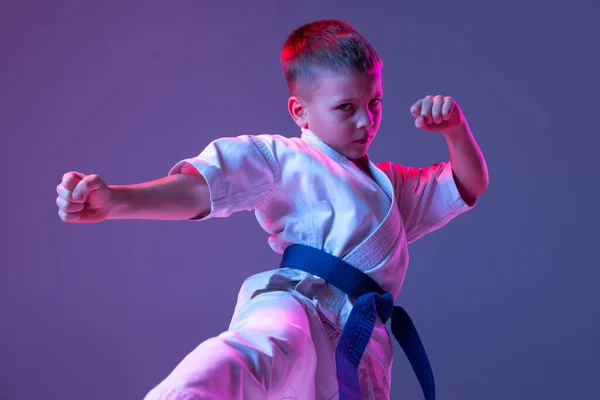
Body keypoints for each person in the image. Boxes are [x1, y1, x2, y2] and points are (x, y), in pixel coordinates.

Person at [56, 19, 488, 400]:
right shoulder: (282, 160)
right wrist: (118, 200)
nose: (365, 121)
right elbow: (199, 190)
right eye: (346, 108)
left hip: (358, 342)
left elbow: (467, 184)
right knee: (261, 350)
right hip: (300, 306)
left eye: (374, 103)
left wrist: (455, 131)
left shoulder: (390, 185)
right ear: (300, 111)